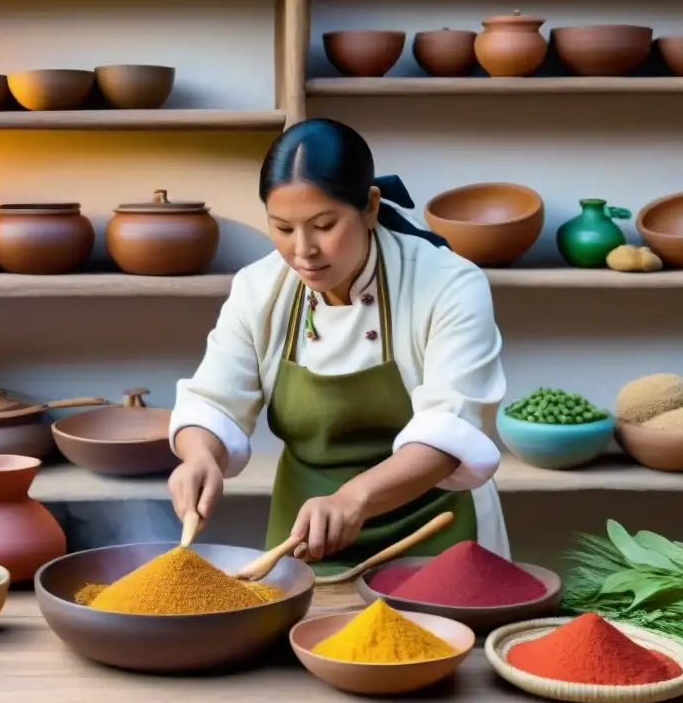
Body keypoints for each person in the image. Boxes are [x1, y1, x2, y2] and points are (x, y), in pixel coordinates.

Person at [167, 118, 508, 574]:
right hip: (305, 540)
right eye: (282, 228)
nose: (303, 250)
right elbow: (215, 400)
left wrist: (353, 498)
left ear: (369, 206)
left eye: (323, 225)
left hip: (436, 533)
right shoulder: (258, 288)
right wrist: (200, 457)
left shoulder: (448, 283)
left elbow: (452, 429)